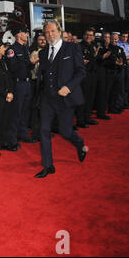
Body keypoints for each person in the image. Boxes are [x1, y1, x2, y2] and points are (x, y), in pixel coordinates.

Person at [35, 20, 88, 178]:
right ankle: (48, 165)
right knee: (43, 130)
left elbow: (81, 72)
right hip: (47, 98)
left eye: (52, 31)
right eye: (47, 32)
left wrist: (69, 87)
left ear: (59, 31)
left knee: (65, 132)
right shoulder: (43, 53)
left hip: (65, 98)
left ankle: (79, 144)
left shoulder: (72, 48)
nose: (50, 35)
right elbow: (43, 75)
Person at [5, 25, 39, 148]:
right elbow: (12, 67)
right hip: (18, 83)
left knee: (25, 110)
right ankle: (12, 139)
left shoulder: (26, 49)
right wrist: (28, 62)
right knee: (16, 112)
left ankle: (23, 134)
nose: (27, 35)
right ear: (18, 34)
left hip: (27, 82)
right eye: (25, 33)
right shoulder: (12, 50)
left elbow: (28, 66)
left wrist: (31, 63)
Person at [75, 28, 100, 128]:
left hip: (93, 75)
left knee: (91, 97)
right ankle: (80, 120)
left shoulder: (94, 46)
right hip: (83, 75)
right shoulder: (79, 46)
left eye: (90, 35)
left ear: (94, 37)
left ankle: (88, 117)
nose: (88, 37)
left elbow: (95, 60)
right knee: (83, 98)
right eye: (87, 35)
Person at [29, 33, 47, 141]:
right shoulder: (34, 53)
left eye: (44, 39)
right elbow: (33, 70)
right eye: (40, 40)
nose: (43, 41)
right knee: (36, 109)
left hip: (46, 84)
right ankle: (35, 133)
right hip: (36, 83)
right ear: (36, 41)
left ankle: (43, 132)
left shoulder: (48, 53)